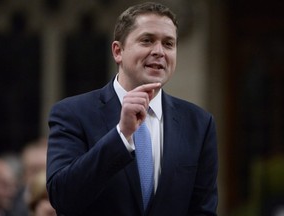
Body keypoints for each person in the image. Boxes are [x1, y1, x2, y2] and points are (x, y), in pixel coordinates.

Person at [47, 2, 218, 216]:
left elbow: (203, 210)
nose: (159, 51)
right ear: (118, 51)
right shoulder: (72, 113)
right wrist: (122, 135)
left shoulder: (199, 124)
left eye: (168, 44)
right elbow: (62, 197)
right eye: (147, 40)